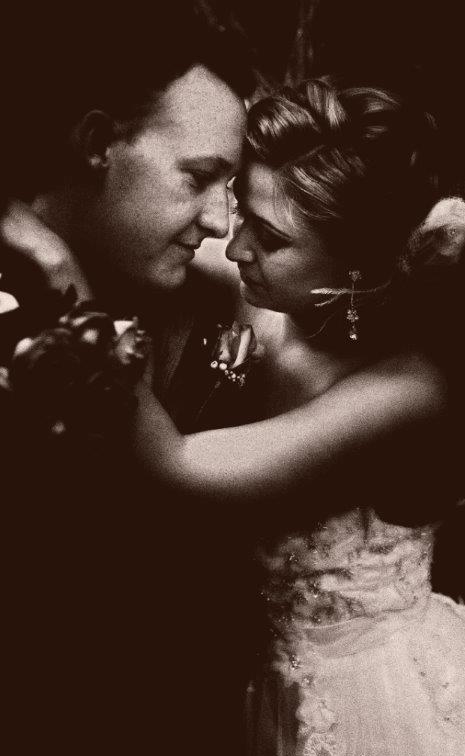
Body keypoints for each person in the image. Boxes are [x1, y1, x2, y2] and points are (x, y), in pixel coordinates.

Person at [127, 79, 465, 754]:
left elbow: (181, 467)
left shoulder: (407, 388)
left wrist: (88, 335)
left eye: (268, 238)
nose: (235, 248)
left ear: (356, 268)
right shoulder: (270, 288)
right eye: (242, 215)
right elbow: (145, 236)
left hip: (372, 695)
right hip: (261, 678)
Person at [0, 13, 255, 752]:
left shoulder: (204, 297)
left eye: (230, 185)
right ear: (96, 144)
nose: (220, 221)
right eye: (198, 177)